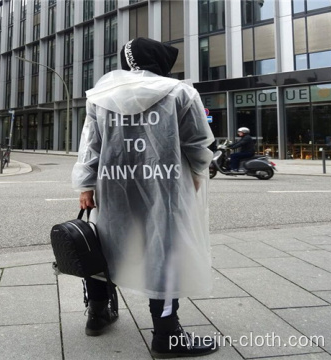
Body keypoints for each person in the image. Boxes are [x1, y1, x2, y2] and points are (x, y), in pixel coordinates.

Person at [72, 37, 217, 358]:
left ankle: (98, 313)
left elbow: (90, 146)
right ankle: (166, 333)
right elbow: (197, 144)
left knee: (102, 247)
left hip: (112, 188)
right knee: (163, 253)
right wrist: (195, 176)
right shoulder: (180, 92)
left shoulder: (102, 95)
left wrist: (85, 185)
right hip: (164, 190)